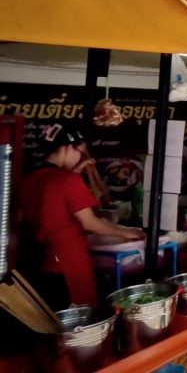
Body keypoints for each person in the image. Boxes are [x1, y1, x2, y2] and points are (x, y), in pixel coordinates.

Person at [19, 125, 144, 309]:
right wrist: (127, 233)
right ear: (68, 148)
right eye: (80, 152)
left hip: (37, 264)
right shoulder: (69, 181)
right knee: (79, 321)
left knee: (53, 319)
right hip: (69, 264)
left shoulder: (27, 180)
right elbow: (91, 223)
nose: (80, 158)